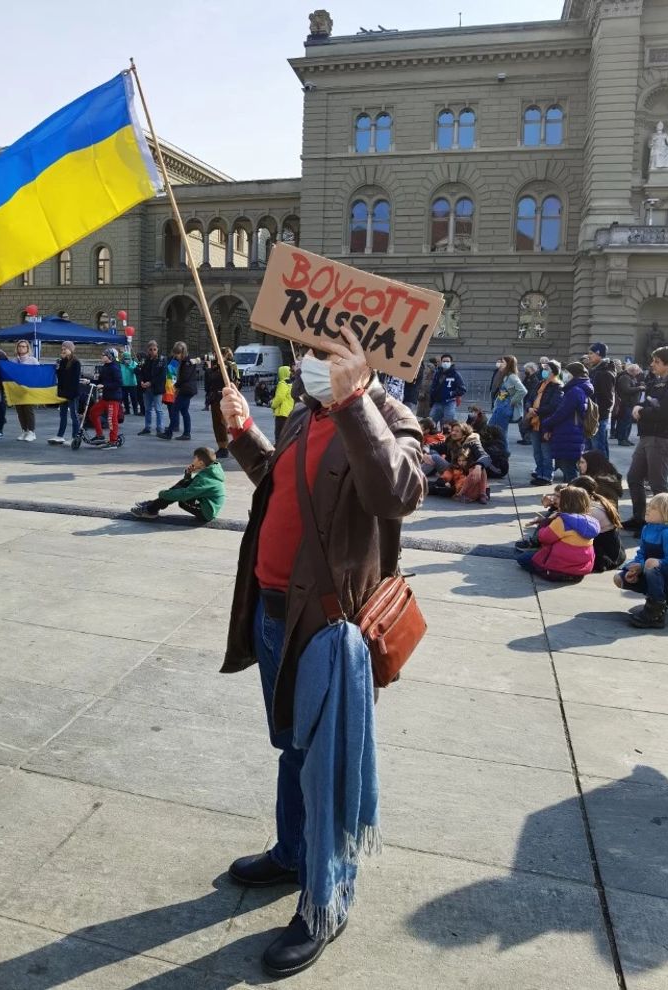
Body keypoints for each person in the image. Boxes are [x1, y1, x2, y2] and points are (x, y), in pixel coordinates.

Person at [217, 327, 425, 978]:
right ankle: (293, 851)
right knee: (291, 746)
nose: (311, 364)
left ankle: (327, 899)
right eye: (308, 353)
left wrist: (358, 400)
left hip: (329, 626)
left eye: (329, 354)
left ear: (364, 360)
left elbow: (399, 492)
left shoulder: (390, 416)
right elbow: (275, 488)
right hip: (275, 610)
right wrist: (242, 432)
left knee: (326, 763)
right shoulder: (304, 417)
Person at [623, 347, 668, 534]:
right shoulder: (659, 382)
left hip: (662, 438)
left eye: (656, 361)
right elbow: (649, 402)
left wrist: (642, 412)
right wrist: (640, 407)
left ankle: (662, 523)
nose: (652, 364)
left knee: (657, 484)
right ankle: (640, 518)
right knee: (634, 477)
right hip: (648, 436)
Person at [614, 492, 668, 628]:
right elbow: (642, 553)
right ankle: (665, 598)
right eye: (649, 506)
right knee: (619, 578)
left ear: (667, 516)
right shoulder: (648, 528)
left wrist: (657, 563)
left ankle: (655, 612)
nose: (648, 509)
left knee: (651, 564)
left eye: (653, 508)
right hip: (656, 572)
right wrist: (637, 567)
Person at [516, 485, 600, 582]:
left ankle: (549, 571)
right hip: (580, 571)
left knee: (523, 558)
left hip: (558, 570)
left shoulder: (563, 521)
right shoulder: (591, 521)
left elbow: (543, 538)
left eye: (560, 498)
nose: (556, 500)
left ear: (566, 502)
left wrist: (546, 521)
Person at [131, 446, 226, 522]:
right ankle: (153, 506)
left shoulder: (205, 478)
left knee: (180, 496)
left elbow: (185, 494)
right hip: (206, 503)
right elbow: (191, 486)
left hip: (207, 512)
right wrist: (188, 475)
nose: (192, 461)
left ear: (201, 463)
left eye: (194, 459)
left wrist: (163, 494)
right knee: (182, 484)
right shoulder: (213, 469)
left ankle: (151, 509)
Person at [541, 361, 593, 482]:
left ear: (573, 374)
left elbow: (562, 412)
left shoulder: (574, 391)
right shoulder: (578, 389)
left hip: (569, 433)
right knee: (570, 468)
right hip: (571, 433)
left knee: (570, 470)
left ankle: (574, 496)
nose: (564, 374)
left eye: (566, 372)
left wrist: (546, 423)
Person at [570, 475, 625, 572]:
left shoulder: (592, 511)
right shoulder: (595, 502)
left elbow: (573, 531)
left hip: (605, 556)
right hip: (612, 550)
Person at [525, 359, 563, 486]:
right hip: (534, 422)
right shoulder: (540, 383)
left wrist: (536, 411)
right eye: (544, 369)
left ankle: (546, 476)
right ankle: (539, 472)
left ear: (554, 372)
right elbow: (530, 398)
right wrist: (529, 408)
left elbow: (554, 406)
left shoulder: (558, 387)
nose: (544, 371)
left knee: (546, 452)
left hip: (545, 424)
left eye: (547, 369)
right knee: (537, 451)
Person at [488, 355, 527, 452]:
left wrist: (512, 402)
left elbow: (523, 391)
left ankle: (504, 454)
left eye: (503, 362)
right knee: (493, 430)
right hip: (500, 407)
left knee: (500, 433)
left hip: (505, 408)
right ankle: (497, 451)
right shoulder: (505, 376)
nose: (500, 364)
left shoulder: (512, 377)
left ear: (508, 365)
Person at [205, 347, 239, 457]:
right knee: (219, 423)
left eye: (216, 353)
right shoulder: (225, 366)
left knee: (220, 423)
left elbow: (213, 379)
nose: (214, 355)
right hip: (218, 397)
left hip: (220, 397)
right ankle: (222, 446)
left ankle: (224, 448)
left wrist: (209, 369)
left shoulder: (226, 366)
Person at [47, 341, 82, 444]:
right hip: (63, 393)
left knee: (73, 415)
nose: (63, 351)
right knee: (62, 415)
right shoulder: (62, 362)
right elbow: (61, 377)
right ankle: (60, 435)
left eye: (65, 349)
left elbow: (74, 380)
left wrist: (71, 394)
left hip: (72, 394)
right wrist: (57, 369)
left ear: (70, 350)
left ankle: (74, 437)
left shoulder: (76, 362)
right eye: (62, 349)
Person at [87, 348, 123, 449]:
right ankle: (100, 435)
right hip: (106, 397)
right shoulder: (105, 367)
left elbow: (118, 383)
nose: (102, 356)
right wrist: (89, 382)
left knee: (112, 420)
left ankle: (113, 441)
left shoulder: (115, 367)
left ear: (110, 356)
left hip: (113, 398)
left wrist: (104, 386)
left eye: (104, 355)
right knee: (93, 412)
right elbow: (99, 381)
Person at [159, 341, 196, 440]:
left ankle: (169, 433)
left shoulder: (188, 362)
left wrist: (176, 386)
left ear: (183, 352)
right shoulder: (185, 361)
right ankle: (186, 433)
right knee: (184, 411)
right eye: (175, 353)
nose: (176, 355)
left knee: (175, 409)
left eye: (177, 353)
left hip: (186, 389)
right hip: (187, 389)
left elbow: (184, 377)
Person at [586, 342, 617, 458]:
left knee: (598, 448)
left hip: (597, 416)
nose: (589, 356)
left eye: (591, 353)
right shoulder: (596, 370)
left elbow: (607, 399)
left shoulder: (604, 373)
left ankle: (601, 472)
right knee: (599, 445)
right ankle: (604, 472)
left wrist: (597, 415)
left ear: (599, 354)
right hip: (594, 414)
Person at [11, 339, 39, 442]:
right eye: (20, 346)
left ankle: (32, 432)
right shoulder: (14, 361)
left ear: (28, 348)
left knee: (28, 410)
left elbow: (37, 374)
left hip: (28, 389)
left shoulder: (33, 360)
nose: (21, 348)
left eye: (24, 346)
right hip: (17, 389)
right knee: (20, 410)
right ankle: (24, 430)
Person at [137, 339, 167, 436]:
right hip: (147, 388)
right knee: (147, 409)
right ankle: (147, 427)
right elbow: (141, 372)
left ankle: (160, 428)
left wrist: (150, 383)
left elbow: (161, 376)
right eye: (151, 349)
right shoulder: (146, 360)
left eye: (154, 349)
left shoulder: (162, 360)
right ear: (148, 350)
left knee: (158, 409)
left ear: (157, 349)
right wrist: (141, 381)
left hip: (157, 388)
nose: (153, 351)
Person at [427, 354, 466, 424]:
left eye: (447, 361)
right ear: (441, 362)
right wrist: (432, 398)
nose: (445, 363)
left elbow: (462, 389)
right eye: (444, 361)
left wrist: (451, 393)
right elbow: (433, 387)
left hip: (449, 403)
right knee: (430, 422)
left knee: (448, 424)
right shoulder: (437, 373)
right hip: (437, 402)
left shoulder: (455, 374)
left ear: (451, 363)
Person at [614, 363, 643, 446]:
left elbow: (631, 386)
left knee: (628, 422)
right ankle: (622, 439)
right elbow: (626, 389)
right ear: (633, 371)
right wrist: (639, 388)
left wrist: (638, 385)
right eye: (637, 371)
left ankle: (625, 438)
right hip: (626, 403)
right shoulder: (625, 377)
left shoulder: (631, 377)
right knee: (624, 422)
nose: (638, 373)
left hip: (630, 403)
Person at [516, 362, 540, 444]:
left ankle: (528, 439)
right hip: (524, 401)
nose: (525, 370)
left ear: (532, 369)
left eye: (527, 369)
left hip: (528, 402)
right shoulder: (527, 378)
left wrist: (529, 403)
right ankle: (524, 437)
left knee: (526, 421)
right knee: (521, 421)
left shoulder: (535, 379)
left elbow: (532, 392)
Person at [271, 365, 294, 442]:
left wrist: (273, 405)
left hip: (282, 413)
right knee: (286, 434)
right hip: (289, 412)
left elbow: (279, 398)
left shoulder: (282, 384)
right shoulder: (291, 384)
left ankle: (278, 450)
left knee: (279, 434)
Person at [119, 350, 142, 416]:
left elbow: (137, 371)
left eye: (128, 358)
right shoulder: (120, 365)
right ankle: (127, 410)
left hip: (132, 383)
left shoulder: (134, 363)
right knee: (125, 398)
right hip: (124, 384)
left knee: (134, 398)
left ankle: (135, 410)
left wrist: (129, 366)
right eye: (125, 358)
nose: (127, 359)